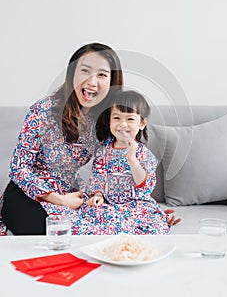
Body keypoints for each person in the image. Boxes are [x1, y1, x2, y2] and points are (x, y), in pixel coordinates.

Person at [0, 43, 179, 236]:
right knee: (54, 231)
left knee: (101, 230)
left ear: (112, 81)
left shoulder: (107, 119)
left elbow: (117, 170)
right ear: (72, 74)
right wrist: (60, 199)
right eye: (85, 71)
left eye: (102, 75)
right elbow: (19, 168)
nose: (92, 82)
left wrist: (145, 212)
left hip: (73, 195)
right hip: (29, 194)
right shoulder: (43, 110)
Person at [85, 90, 176, 234]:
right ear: (110, 121)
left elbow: (144, 184)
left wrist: (132, 159)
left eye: (130, 119)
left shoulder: (143, 153)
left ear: (142, 123)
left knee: (153, 226)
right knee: (90, 217)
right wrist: (98, 196)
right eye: (117, 118)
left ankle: (125, 231)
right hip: (109, 205)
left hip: (136, 205)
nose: (122, 125)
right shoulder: (103, 152)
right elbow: (98, 178)